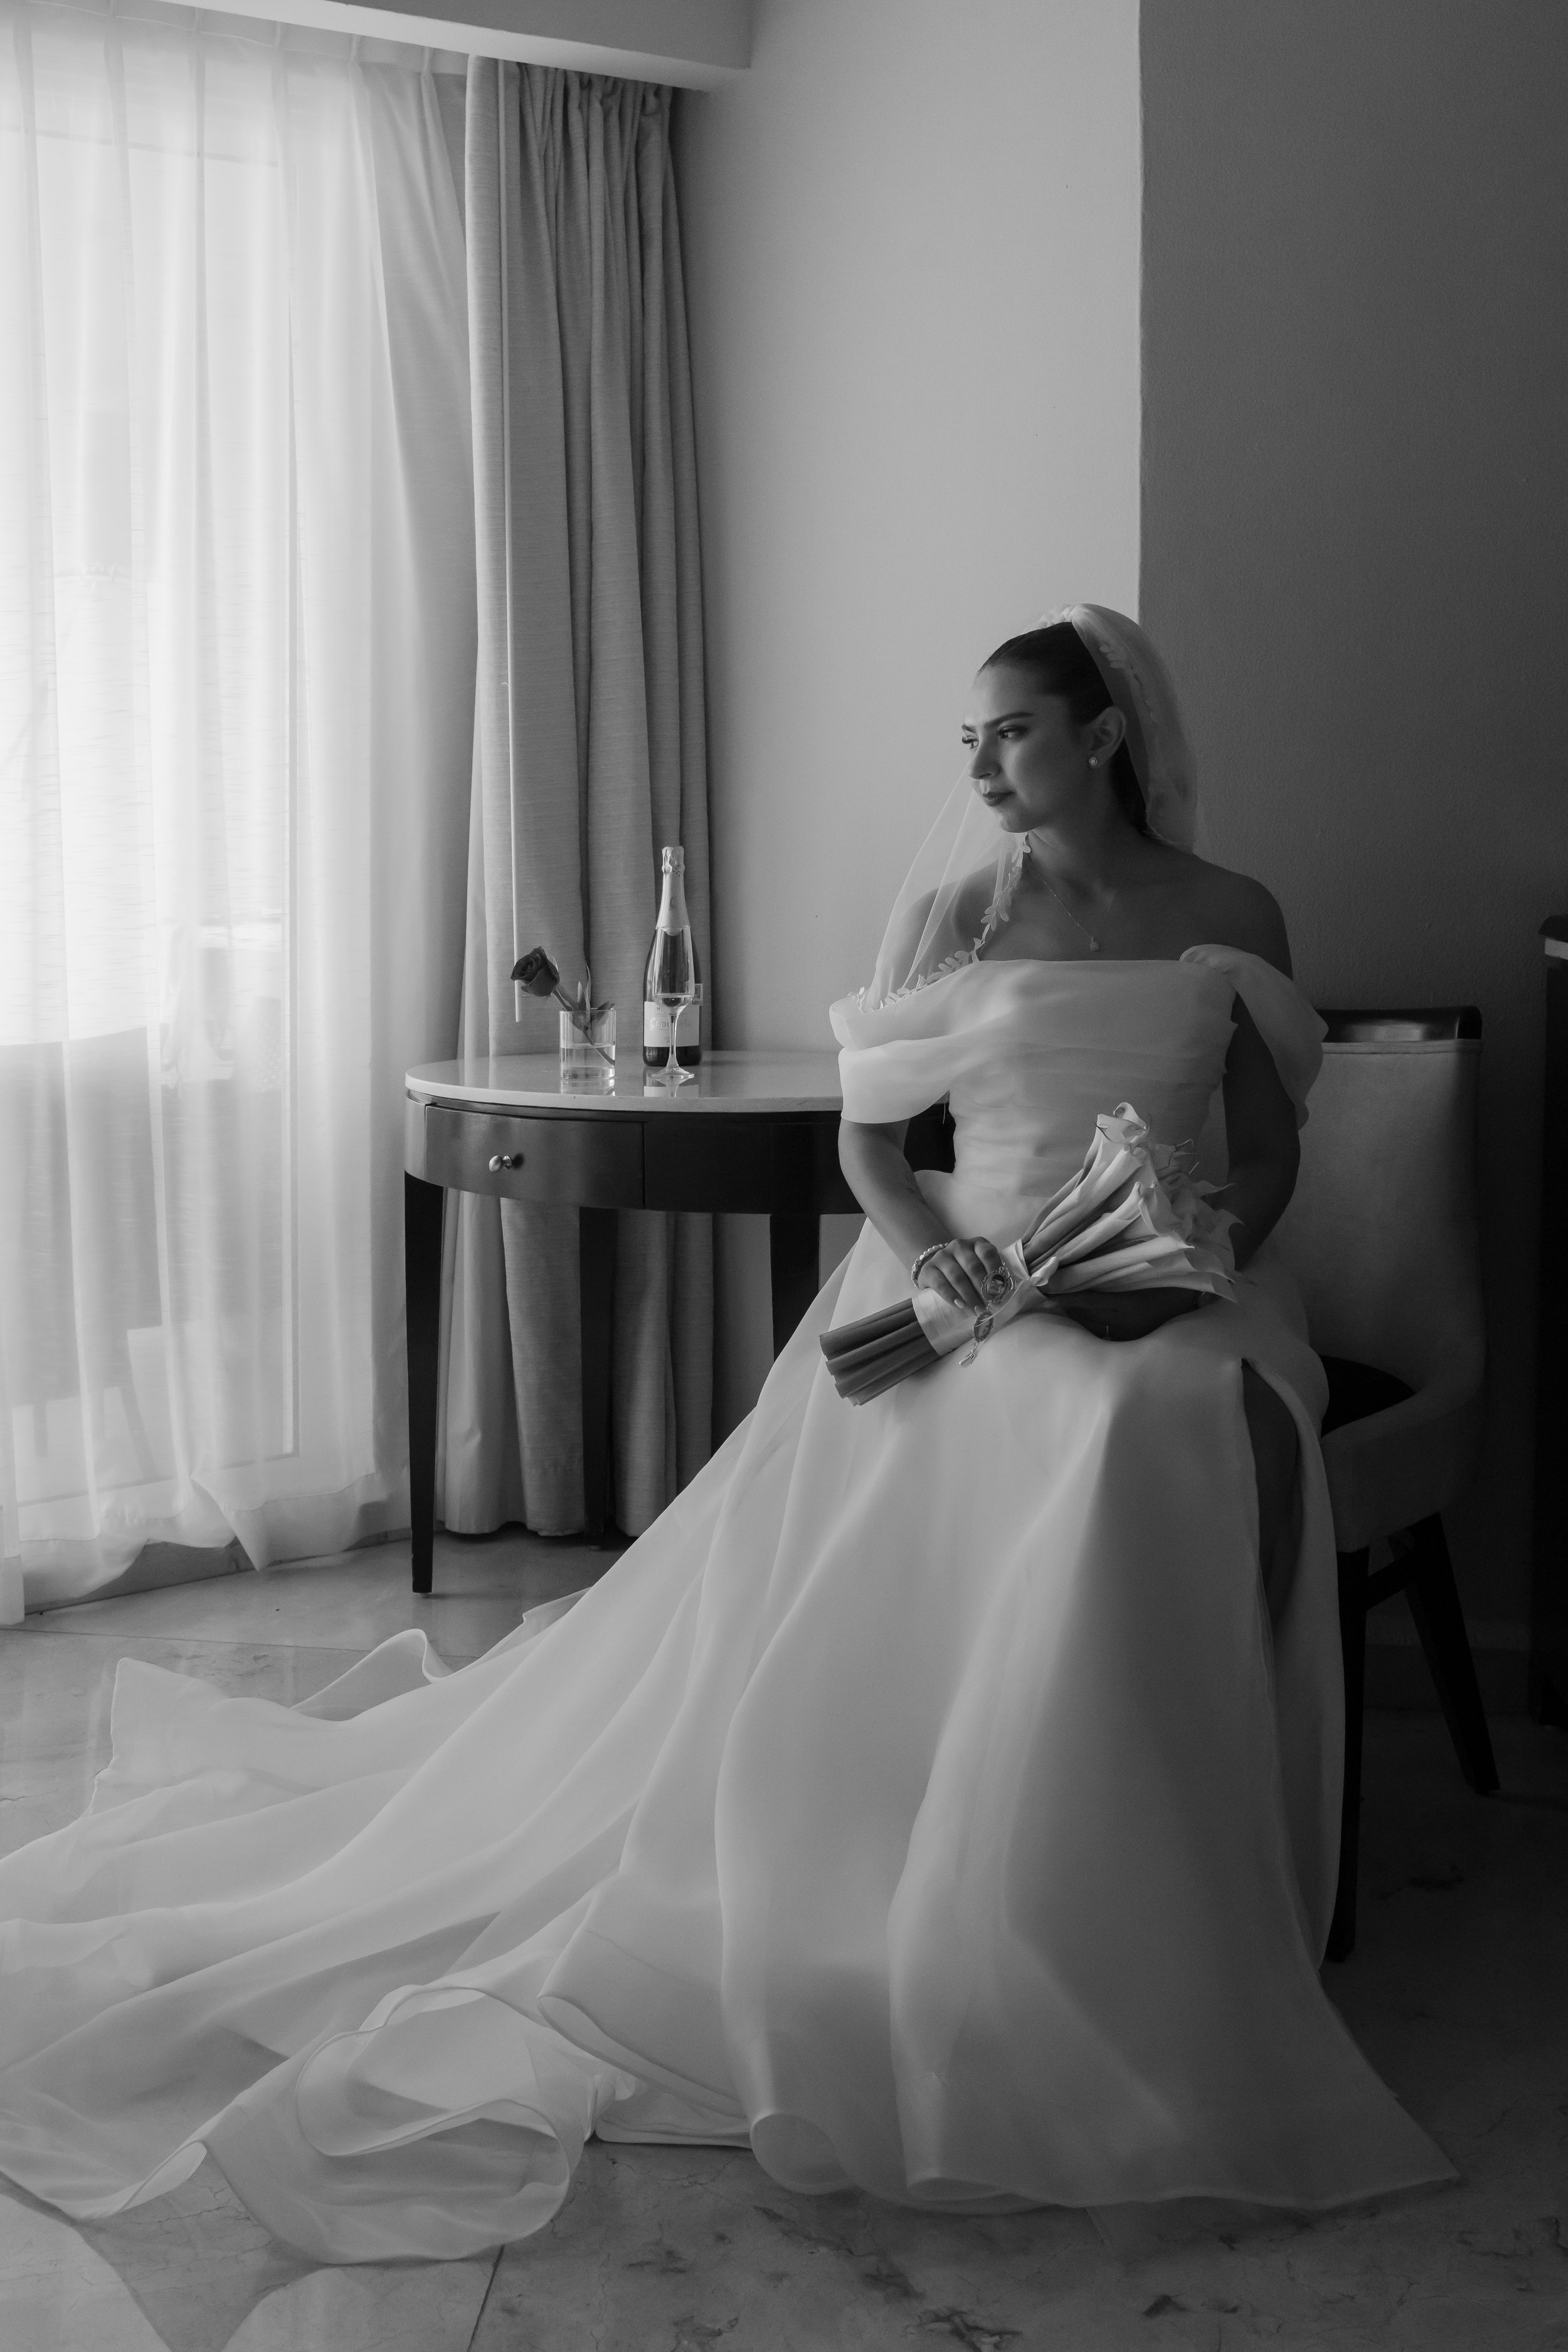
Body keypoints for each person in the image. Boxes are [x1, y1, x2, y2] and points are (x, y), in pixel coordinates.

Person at [0, 608, 1453, 2265]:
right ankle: (940, 1865)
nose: (980, 767)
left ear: (1106, 733)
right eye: (965, 741)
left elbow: (1264, 1152)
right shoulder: (950, 918)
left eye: (1011, 733)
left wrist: (1186, 1249)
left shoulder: (1227, 919)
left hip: (1166, 1285)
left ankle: (1140, 1891)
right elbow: (873, 1144)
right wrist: (948, 1258)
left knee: (1161, 1409)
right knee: (1056, 1411)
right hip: (956, 1271)